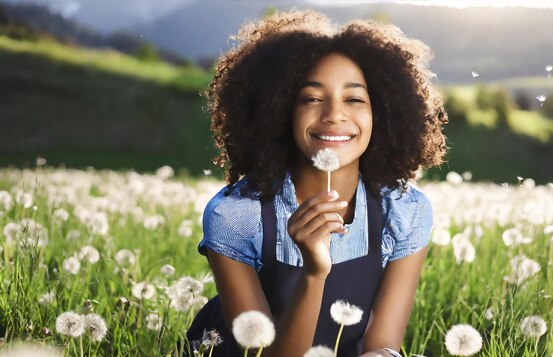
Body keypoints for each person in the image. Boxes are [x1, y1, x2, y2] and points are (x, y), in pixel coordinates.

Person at [185, 9, 447, 357]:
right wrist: (313, 273)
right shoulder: (236, 215)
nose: (334, 115)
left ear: (382, 112)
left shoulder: (404, 211)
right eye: (311, 98)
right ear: (277, 110)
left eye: (354, 99)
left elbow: (381, 346)